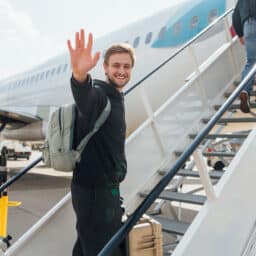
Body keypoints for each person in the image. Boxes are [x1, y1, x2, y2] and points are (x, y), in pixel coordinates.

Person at [67, 29, 135, 256]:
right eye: (116, 65)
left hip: (103, 190)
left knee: (87, 246)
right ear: (105, 68)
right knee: (105, 250)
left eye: (126, 66)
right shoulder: (100, 94)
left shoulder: (116, 97)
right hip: (95, 192)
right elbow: (85, 98)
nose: (121, 71)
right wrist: (79, 77)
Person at [232, 0, 256, 113]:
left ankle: (245, 91)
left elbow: (235, 16)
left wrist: (240, 34)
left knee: (251, 62)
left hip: (248, 27)